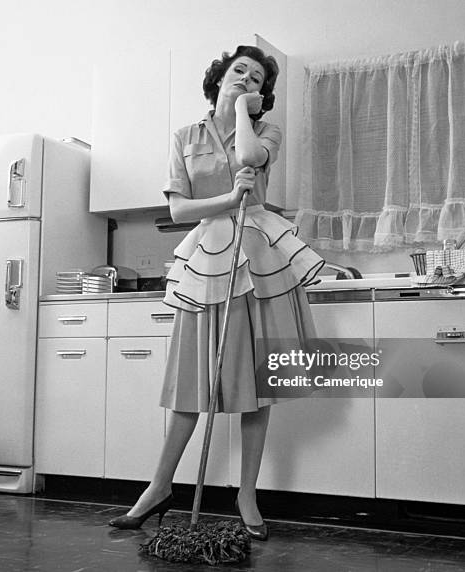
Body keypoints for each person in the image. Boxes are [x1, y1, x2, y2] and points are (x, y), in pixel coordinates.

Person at [109, 45, 324, 540]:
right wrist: (228, 198)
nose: (246, 79)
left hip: (260, 261)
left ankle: (246, 493)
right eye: (238, 71)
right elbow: (181, 209)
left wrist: (246, 115)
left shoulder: (267, 129)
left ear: (262, 94)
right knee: (191, 381)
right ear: (218, 78)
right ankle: (159, 486)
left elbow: (251, 157)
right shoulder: (185, 136)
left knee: (257, 383)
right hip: (206, 261)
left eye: (256, 78)